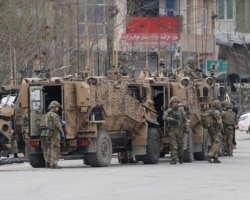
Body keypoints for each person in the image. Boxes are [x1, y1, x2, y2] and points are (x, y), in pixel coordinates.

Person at [163, 96, 188, 164]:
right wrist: (171, 119)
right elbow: (164, 117)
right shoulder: (169, 111)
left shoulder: (181, 110)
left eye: (176, 102)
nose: (175, 104)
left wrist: (187, 128)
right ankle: (174, 159)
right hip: (172, 130)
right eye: (174, 102)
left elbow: (185, 119)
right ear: (171, 103)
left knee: (180, 145)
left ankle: (180, 157)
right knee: (173, 145)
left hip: (180, 130)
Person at [40, 100, 64, 169]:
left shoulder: (46, 114)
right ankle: (53, 164)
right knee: (55, 147)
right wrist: (62, 131)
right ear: (54, 107)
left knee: (48, 148)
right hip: (54, 132)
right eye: (57, 107)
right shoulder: (54, 115)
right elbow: (57, 124)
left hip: (46, 133)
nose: (58, 109)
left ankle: (47, 162)